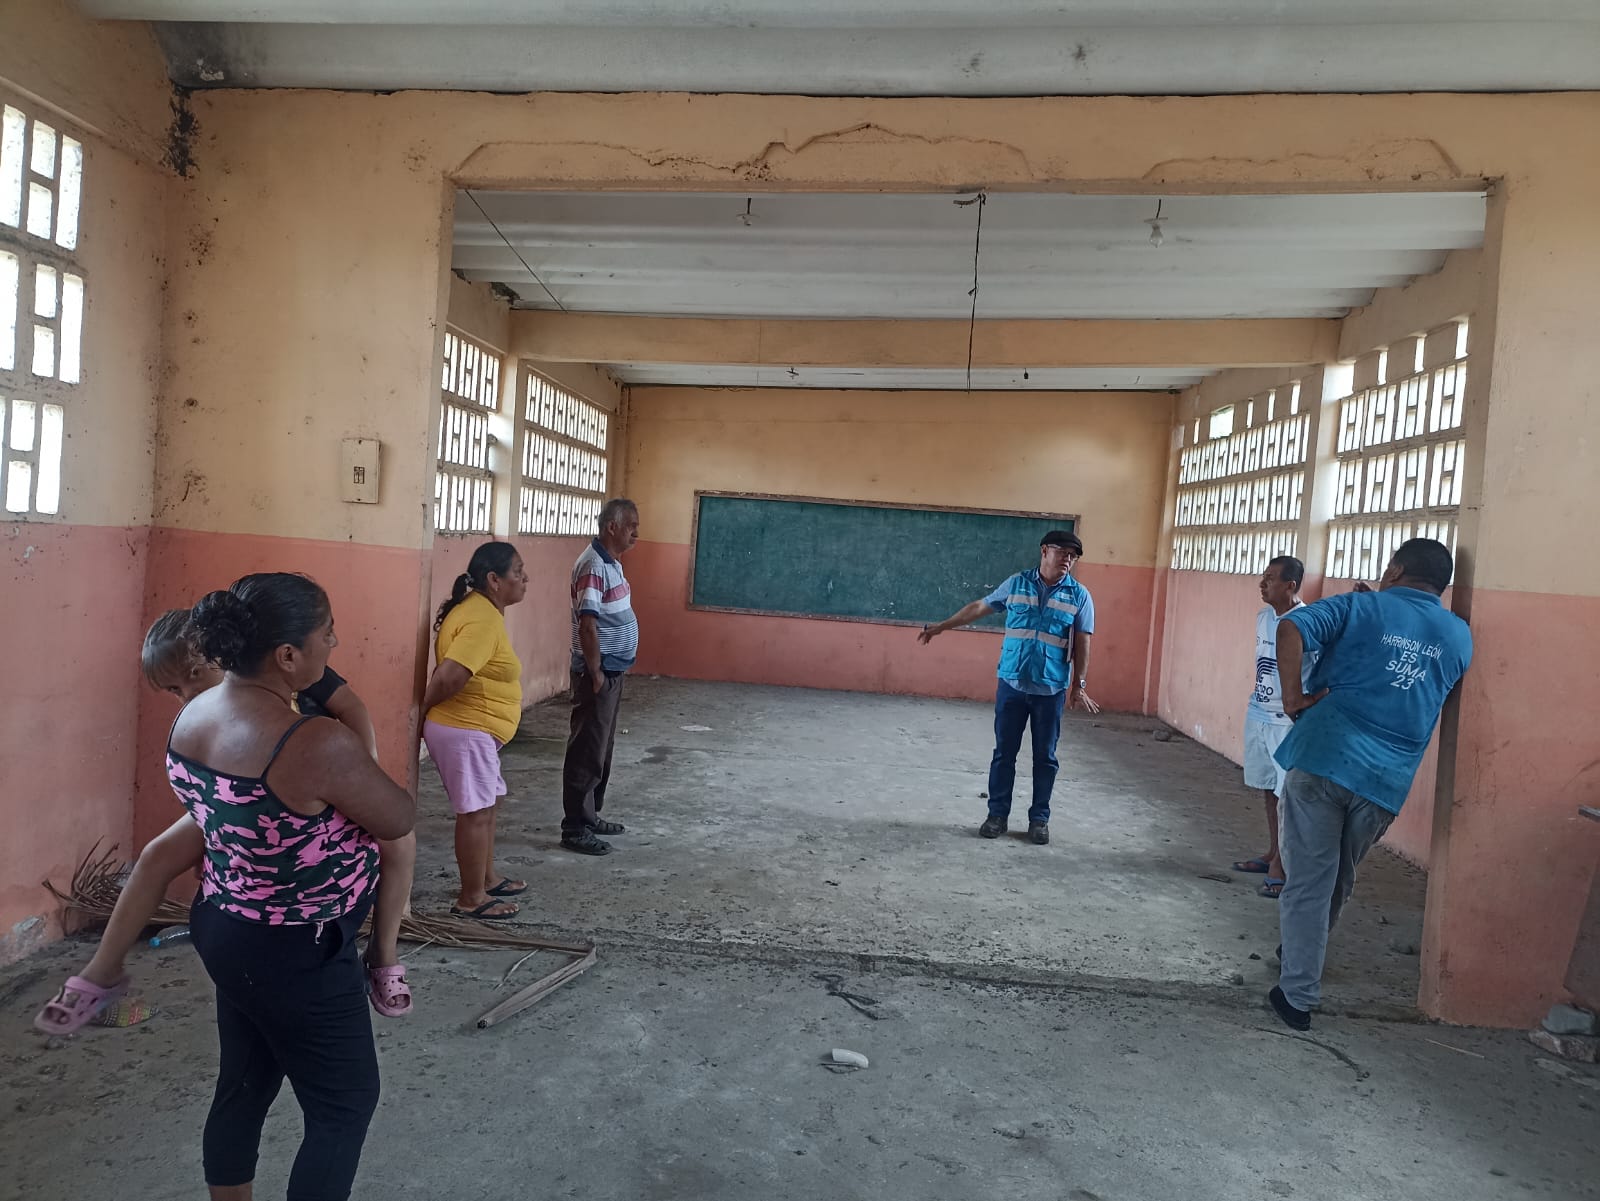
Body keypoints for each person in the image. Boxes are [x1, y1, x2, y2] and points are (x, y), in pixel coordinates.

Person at [34, 608, 418, 1035]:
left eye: (194, 677)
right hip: (252, 805)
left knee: (400, 840)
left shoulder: (295, 669)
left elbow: (352, 708)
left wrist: (366, 771)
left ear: (225, 655)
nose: (187, 695)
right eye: (174, 690)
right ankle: (102, 970)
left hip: (325, 789)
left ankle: (383, 954)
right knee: (156, 856)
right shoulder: (210, 713)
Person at [171, 574, 413, 1200]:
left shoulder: (194, 714)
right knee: (344, 1104)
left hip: (225, 925)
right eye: (326, 633)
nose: (334, 642)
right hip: (298, 949)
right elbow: (398, 817)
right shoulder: (312, 741)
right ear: (287, 655)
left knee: (243, 1086)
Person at [1267, 538, 1472, 1031]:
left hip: (1324, 757)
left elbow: (1291, 626)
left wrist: (1293, 698)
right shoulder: (1459, 635)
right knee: (1339, 876)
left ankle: (1297, 996)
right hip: (1386, 781)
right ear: (1442, 584)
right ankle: (1300, 952)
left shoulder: (1359, 607)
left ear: (1395, 569)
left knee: (1310, 878)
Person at [919, 529, 1098, 844]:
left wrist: (1079, 684)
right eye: (1062, 552)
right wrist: (943, 626)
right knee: (1004, 753)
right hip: (1012, 684)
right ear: (1044, 551)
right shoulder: (1016, 584)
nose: (1068, 560)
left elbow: (1083, 642)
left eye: (1073, 556)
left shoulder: (1079, 596)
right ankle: (997, 816)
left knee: (1045, 757)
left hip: (1050, 690)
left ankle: (1039, 820)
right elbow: (980, 607)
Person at [422, 541, 530, 919]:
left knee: (488, 805)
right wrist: (422, 712)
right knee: (475, 814)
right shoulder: (482, 619)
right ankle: (471, 898)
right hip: (465, 729)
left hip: (474, 731)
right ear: (494, 580)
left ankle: (486, 878)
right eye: (518, 572)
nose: (525, 579)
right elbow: (449, 675)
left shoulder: (481, 611)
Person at [561, 498, 641, 856]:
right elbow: (588, 623)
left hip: (611, 670)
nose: (635, 533)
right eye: (631, 526)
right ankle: (575, 828)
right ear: (612, 526)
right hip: (598, 672)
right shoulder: (593, 565)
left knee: (601, 747)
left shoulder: (612, 562)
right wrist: (594, 673)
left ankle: (590, 815)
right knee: (587, 749)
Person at [1230, 555, 1308, 900]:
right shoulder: (1263, 618)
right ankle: (1273, 851)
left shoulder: (1305, 621)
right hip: (1259, 712)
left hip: (1285, 720)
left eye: (1271, 578)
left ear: (1290, 586)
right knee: (1268, 788)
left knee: (1287, 794)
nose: (1263, 584)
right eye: (1263, 576)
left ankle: (1282, 865)